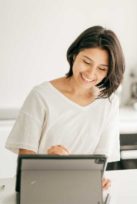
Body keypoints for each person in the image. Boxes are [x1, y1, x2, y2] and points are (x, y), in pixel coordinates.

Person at [5, 25, 125, 190]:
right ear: (74, 54)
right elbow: (26, 168)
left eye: (101, 69)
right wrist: (52, 162)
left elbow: (98, 165)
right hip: (40, 190)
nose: (91, 73)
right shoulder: (41, 96)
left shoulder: (109, 103)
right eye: (86, 62)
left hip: (81, 193)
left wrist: (97, 178)